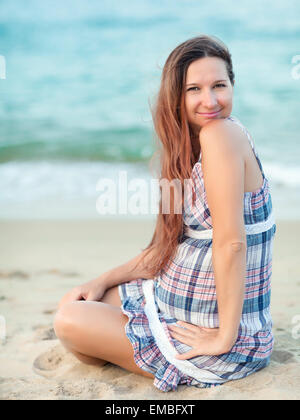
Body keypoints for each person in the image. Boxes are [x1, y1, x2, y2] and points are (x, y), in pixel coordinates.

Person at [54, 34, 277, 392]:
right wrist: (103, 279)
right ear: (176, 96)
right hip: (168, 297)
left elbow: (232, 243)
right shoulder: (189, 149)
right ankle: (134, 341)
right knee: (80, 300)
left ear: (232, 85)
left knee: (69, 321)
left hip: (215, 332)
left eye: (219, 85)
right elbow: (167, 247)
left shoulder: (222, 135)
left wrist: (225, 337)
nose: (210, 100)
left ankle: (161, 352)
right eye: (194, 89)